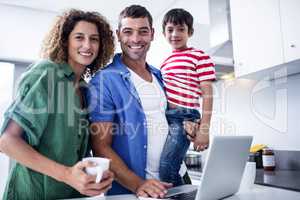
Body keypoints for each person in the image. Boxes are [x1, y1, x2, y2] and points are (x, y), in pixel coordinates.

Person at [0, 9, 115, 199]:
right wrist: (67, 175)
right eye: (79, 37)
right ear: (65, 41)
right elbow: (7, 142)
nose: (87, 45)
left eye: (94, 39)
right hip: (32, 193)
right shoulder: (47, 73)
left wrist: (95, 176)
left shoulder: (86, 90)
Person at [87, 5, 173, 198]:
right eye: (128, 32)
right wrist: (138, 184)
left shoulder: (159, 76)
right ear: (118, 35)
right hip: (134, 191)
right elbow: (100, 145)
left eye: (143, 32)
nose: (135, 39)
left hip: (171, 182)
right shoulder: (104, 80)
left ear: (151, 34)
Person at [159, 8, 216, 186]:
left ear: (190, 32)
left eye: (181, 29)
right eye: (170, 29)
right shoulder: (165, 62)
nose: (175, 34)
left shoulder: (200, 56)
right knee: (170, 166)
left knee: (167, 169)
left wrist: (204, 129)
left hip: (185, 118)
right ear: (163, 33)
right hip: (166, 118)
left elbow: (207, 94)